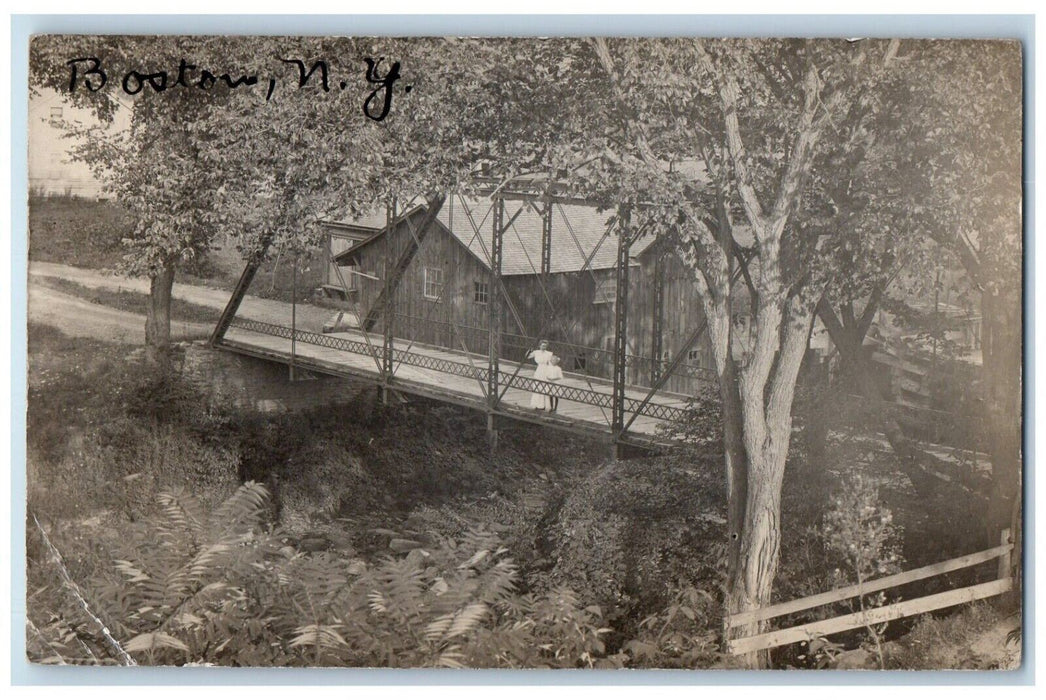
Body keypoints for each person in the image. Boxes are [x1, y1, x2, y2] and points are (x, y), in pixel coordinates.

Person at [527, 340, 553, 409]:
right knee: (537, 386)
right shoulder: (536, 352)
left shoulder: (549, 353)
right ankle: (536, 404)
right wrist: (529, 351)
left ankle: (544, 405)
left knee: (545, 386)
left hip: (545, 370)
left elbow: (550, 363)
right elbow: (527, 357)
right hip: (539, 370)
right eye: (542, 346)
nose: (544, 347)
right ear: (539, 346)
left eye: (545, 346)